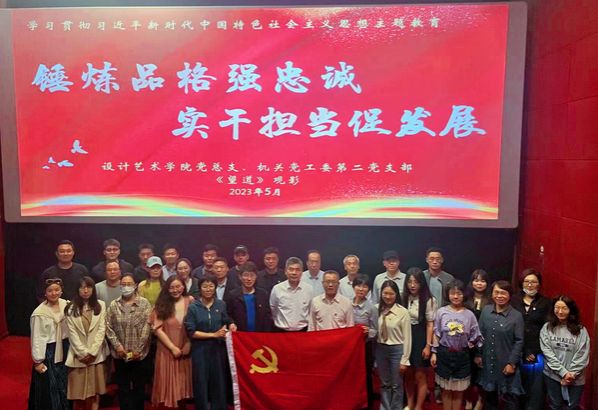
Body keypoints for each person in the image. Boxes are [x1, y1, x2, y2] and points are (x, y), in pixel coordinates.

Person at [185, 276, 237, 410]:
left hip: (218, 349)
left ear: (215, 288)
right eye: (205, 286)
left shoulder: (221, 304)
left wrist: (231, 324)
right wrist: (213, 335)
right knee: (201, 381)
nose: (208, 289)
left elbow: (226, 320)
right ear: (200, 289)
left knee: (219, 381)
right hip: (200, 349)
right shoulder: (193, 307)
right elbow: (191, 332)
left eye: (211, 286)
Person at [431, 280, 482, 410]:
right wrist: (434, 353)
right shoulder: (441, 312)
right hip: (444, 354)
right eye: (452, 293)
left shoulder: (469, 315)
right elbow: (436, 333)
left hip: (462, 356)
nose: (455, 296)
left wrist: (470, 346)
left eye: (459, 293)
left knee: (459, 391)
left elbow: (476, 336)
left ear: (464, 295)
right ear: (447, 295)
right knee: (446, 390)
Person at [105, 273, 152, 410]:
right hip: (120, 354)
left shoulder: (144, 303)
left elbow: (147, 327)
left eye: (129, 284)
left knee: (139, 387)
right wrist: (118, 347)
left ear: (135, 285)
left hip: (139, 355)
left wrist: (138, 349)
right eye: (123, 284)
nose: (126, 287)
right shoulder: (114, 305)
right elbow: (108, 327)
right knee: (123, 388)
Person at [477, 280, 525, 410]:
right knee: (490, 398)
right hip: (488, 361)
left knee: (509, 400)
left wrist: (511, 363)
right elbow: (479, 335)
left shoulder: (516, 316)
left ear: (509, 295)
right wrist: (478, 355)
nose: (499, 296)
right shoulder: (486, 310)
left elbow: (519, 341)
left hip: (506, 362)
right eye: (496, 292)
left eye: (503, 293)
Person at [64, 276, 108, 410]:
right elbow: (72, 334)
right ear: (77, 290)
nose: (85, 290)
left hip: (96, 356)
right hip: (78, 357)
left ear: (93, 289)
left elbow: (101, 330)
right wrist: (83, 353)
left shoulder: (101, 305)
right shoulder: (70, 308)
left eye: (88, 287)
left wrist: (92, 352)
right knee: (77, 394)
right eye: (82, 287)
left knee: (95, 393)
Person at [540, 295, 590, 410]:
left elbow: (582, 354)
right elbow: (547, 352)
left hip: (575, 377)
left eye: (564, 308)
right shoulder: (547, 328)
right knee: (555, 406)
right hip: (552, 375)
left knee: (572, 406)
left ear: (570, 310)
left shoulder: (581, 330)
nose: (560, 311)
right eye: (557, 307)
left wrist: (570, 375)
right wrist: (563, 372)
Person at [512, 269, 551, 410]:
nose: (530, 285)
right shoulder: (513, 300)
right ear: (522, 283)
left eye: (533, 282)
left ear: (539, 285)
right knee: (515, 390)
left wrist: (533, 351)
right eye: (527, 281)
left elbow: (548, 329)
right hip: (515, 350)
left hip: (537, 353)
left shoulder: (546, 303)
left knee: (535, 390)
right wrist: (524, 350)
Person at [151, 276, 193, 408]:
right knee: (168, 385)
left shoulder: (190, 301)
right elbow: (158, 330)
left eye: (178, 286)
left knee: (183, 385)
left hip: (186, 348)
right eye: (172, 287)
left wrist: (188, 344)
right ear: (167, 289)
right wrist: (172, 348)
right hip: (167, 349)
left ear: (183, 287)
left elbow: (196, 325)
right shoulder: (161, 305)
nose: (175, 290)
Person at [28, 278, 70, 410]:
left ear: (61, 291)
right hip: (49, 352)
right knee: (51, 385)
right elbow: (37, 337)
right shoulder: (40, 313)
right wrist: (38, 361)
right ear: (45, 293)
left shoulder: (67, 305)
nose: (54, 293)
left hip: (65, 347)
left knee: (65, 383)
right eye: (50, 291)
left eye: (57, 290)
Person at [402, 267, 437, 410]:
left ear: (421, 283)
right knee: (408, 374)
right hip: (405, 336)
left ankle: (418, 407)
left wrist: (428, 346)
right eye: (410, 282)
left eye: (416, 282)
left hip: (420, 336)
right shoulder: (403, 297)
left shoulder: (429, 300)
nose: (412, 285)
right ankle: (409, 405)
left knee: (420, 375)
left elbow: (430, 324)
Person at [376, 280, 411, 410]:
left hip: (397, 350)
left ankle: (396, 408)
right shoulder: (376, 309)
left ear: (396, 294)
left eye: (391, 294)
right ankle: (385, 407)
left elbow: (407, 337)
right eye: (385, 293)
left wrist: (405, 359)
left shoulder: (403, 312)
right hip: (381, 349)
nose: (388, 296)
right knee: (385, 383)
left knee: (397, 384)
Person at [463, 269, 491, 410]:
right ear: (472, 282)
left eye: (482, 281)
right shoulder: (466, 298)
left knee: (482, 373)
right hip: (467, 341)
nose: (479, 284)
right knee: (467, 372)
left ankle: (480, 400)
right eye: (476, 280)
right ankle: (468, 400)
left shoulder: (491, 300)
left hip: (485, 340)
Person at [351, 275, 378, 408]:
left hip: (364, 346)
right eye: (358, 285)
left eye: (365, 286)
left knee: (365, 374)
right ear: (353, 287)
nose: (361, 289)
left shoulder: (372, 308)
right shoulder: (346, 304)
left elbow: (376, 331)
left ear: (369, 290)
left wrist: (369, 331)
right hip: (349, 347)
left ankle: (367, 404)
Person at [225, 261, 273, 331]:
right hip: (240, 334)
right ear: (240, 276)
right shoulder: (233, 295)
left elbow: (268, 316)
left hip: (259, 334)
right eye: (246, 275)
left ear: (256, 276)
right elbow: (228, 314)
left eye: (252, 275)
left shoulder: (263, 294)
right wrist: (231, 323)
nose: (249, 279)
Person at [270, 257, 313, 332]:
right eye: (291, 269)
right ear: (285, 271)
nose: (294, 273)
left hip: (303, 331)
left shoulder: (309, 289)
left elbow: (310, 310)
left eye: (297, 270)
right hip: (281, 332)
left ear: (302, 272)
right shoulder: (277, 289)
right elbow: (273, 310)